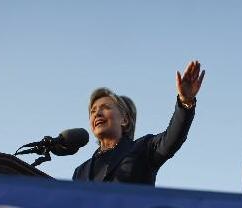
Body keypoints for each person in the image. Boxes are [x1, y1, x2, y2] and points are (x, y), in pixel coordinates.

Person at [73, 60, 205, 185]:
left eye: (105, 107)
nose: (97, 113)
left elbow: (172, 138)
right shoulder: (80, 172)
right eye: (93, 111)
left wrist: (185, 101)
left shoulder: (142, 149)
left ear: (124, 120)